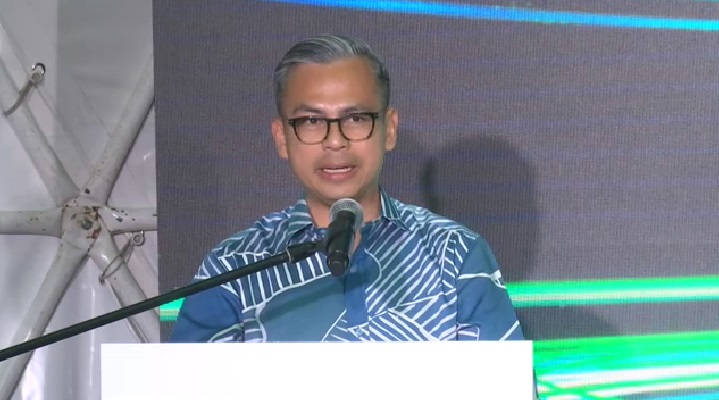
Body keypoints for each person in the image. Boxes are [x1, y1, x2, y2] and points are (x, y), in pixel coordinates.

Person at [169, 34, 525, 343]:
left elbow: (507, 387)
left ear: (389, 129)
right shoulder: (234, 266)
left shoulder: (454, 254)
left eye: (356, 118)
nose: (335, 141)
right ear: (281, 138)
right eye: (311, 121)